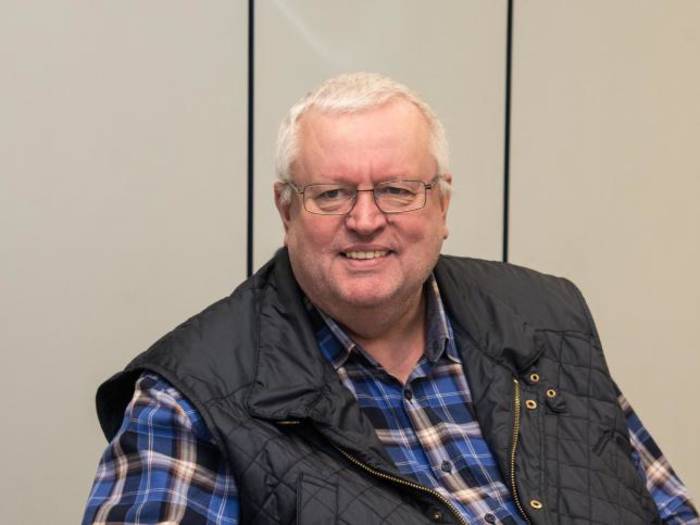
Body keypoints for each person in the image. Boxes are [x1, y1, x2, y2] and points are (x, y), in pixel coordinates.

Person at [83, 73, 698, 524]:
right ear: (286, 210)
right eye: (331, 194)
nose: (366, 220)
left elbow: (668, 509)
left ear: (442, 205)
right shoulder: (189, 397)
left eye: (398, 190)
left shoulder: (547, 318)